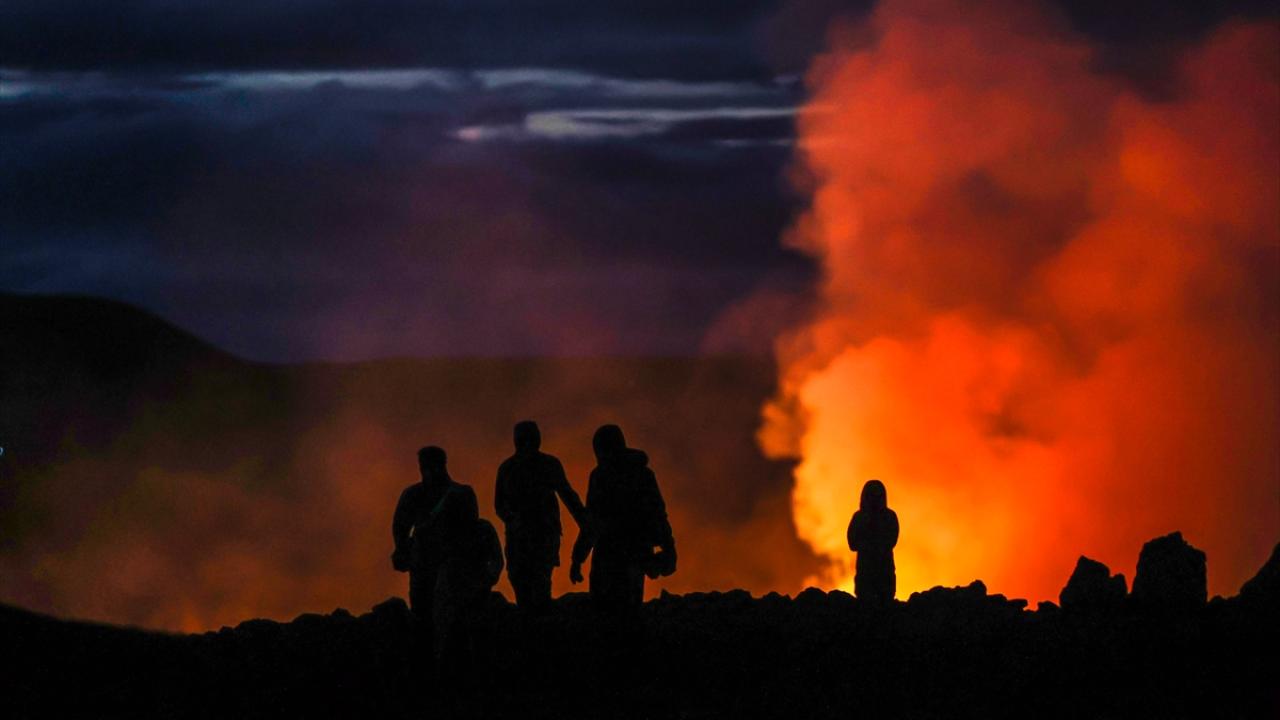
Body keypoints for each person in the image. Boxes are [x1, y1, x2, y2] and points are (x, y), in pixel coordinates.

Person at [569, 424, 676, 611]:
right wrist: (668, 548)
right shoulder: (641, 474)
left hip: (611, 555)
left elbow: (591, 523)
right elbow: (657, 514)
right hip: (632, 552)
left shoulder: (600, 477)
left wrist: (578, 559)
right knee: (628, 613)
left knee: (608, 615)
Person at [390, 446, 481, 658]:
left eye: (428, 467)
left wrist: (403, 550)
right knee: (428, 620)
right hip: (429, 566)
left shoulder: (457, 495)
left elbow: (400, 528)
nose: (426, 472)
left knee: (443, 622)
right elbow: (400, 528)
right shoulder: (458, 494)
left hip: (447, 568)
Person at [494, 420, 587, 612]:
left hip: (541, 537)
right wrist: (512, 520)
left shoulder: (545, 465)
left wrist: (586, 523)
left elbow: (569, 497)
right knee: (524, 587)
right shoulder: (508, 469)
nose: (528, 444)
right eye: (524, 439)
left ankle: (537, 630)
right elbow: (499, 505)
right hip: (521, 539)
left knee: (539, 588)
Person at [846, 479, 899, 604]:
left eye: (877, 495)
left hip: (884, 574)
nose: (874, 499)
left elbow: (891, 541)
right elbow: (852, 543)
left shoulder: (889, 516)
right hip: (866, 575)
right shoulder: (859, 517)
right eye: (871, 495)